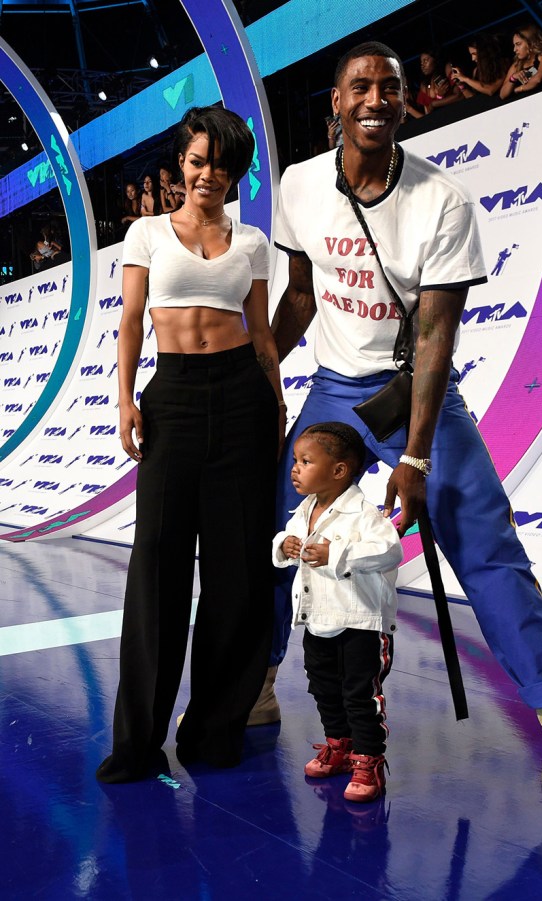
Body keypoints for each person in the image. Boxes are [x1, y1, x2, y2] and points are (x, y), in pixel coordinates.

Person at [267, 41, 542, 823]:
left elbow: (436, 337)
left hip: (410, 392)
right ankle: (257, 683)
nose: (376, 97)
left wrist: (413, 454)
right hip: (333, 387)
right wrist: (265, 376)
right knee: (274, 519)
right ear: (334, 103)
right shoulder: (299, 185)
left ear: (405, 103)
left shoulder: (443, 200)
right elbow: (301, 294)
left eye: (391, 87)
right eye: (361, 86)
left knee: (484, 534)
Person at [96, 104, 285, 784]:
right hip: (171, 398)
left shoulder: (254, 242)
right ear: (182, 162)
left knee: (238, 574)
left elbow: (262, 333)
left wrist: (278, 402)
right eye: (199, 160)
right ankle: (139, 741)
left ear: (237, 172)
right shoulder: (146, 233)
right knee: (158, 569)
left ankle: (215, 729)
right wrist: (124, 399)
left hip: (243, 399)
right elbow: (130, 321)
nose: (210, 174)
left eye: (223, 164)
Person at [273, 422, 403, 803]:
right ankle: (340, 746)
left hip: (360, 622)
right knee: (324, 687)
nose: (295, 468)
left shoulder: (365, 515)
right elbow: (282, 539)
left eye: (306, 461)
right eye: (296, 461)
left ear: (339, 470)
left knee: (360, 695)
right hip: (318, 621)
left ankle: (369, 760)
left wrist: (337, 554)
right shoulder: (305, 509)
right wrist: (287, 544)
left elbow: (390, 552)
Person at [500, 25, 542, 100]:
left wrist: (517, 89)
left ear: (530, 41)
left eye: (518, 44)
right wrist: (513, 78)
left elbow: (537, 79)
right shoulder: (517, 64)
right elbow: (502, 94)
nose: (514, 49)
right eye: (514, 45)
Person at [447, 33, 508, 99]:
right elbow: (472, 98)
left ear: (484, 52)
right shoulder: (476, 71)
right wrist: (461, 85)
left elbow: (490, 90)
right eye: (471, 55)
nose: (473, 59)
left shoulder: (502, 63)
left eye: (475, 54)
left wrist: (465, 79)